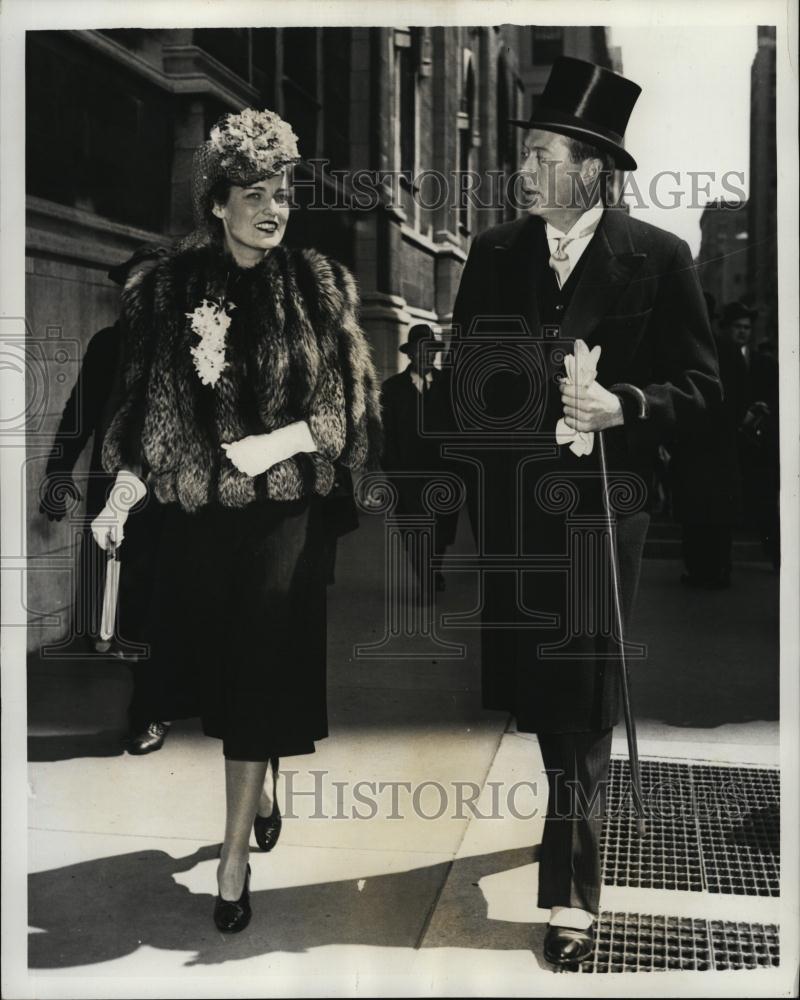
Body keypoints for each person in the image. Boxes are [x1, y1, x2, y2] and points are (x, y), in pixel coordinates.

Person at [450, 57, 720, 966]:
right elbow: (463, 379)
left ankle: (572, 893)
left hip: (606, 510)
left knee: (585, 693)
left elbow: (703, 387)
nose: (523, 170)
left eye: (541, 155)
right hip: (518, 511)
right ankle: (569, 821)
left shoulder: (659, 257)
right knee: (544, 697)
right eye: (524, 153)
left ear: (592, 169)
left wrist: (623, 405)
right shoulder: (495, 254)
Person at [94, 108, 381, 932]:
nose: (272, 208)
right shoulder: (168, 292)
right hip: (201, 522)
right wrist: (120, 495)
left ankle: (229, 862)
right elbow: (145, 412)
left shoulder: (319, 288)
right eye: (253, 194)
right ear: (217, 203)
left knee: (258, 672)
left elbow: (350, 415)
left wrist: (278, 444)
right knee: (228, 681)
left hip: (284, 517)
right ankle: (262, 782)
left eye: (281, 193)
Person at [39, 247, 174, 754]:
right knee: (119, 609)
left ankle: (153, 712)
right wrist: (57, 473)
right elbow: (79, 411)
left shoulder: (184, 351)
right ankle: (152, 701)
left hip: (170, 502)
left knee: (155, 605)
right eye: (133, 288)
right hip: (111, 498)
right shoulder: (107, 345)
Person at [672, 293, 749, 587]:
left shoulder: (683, 348)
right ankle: (719, 569)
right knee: (718, 512)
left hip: (693, 443)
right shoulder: (728, 349)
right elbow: (741, 399)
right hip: (721, 445)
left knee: (694, 511)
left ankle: (698, 570)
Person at [380, 324, 457, 593]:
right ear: (411, 354)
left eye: (432, 350)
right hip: (407, 475)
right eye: (421, 350)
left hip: (444, 474)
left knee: (442, 529)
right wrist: (393, 472)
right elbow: (385, 436)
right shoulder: (392, 389)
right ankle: (426, 579)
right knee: (413, 530)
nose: (428, 355)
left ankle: (433, 571)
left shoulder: (449, 385)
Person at [720, 301, 780, 569]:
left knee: (766, 501)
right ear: (726, 328)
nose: (742, 332)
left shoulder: (763, 363)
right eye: (737, 326)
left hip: (758, 443)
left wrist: (762, 410)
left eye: (746, 327)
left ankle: (779, 557)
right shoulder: (717, 361)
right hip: (730, 443)